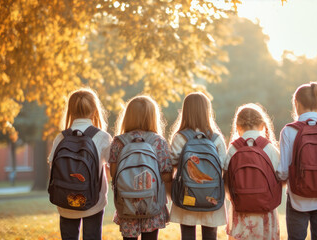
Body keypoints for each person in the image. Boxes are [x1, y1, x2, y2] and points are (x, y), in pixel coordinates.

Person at [276, 82, 317, 240]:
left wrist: (279, 179)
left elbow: (283, 171)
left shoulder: (289, 131)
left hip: (298, 198)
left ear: (296, 104)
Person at [47, 88, 112, 240]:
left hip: (65, 201)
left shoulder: (61, 137)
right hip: (94, 202)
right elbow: (112, 167)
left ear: (70, 110)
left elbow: (53, 168)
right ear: (95, 110)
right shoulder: (102, 137)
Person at [109, 95, 173, 240]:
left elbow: (114, 174)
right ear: (152, 117)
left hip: (126, 204)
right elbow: (166, 175)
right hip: (152, 204)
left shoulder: (118, 142)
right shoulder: (158, 142)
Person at [168, 92, 227, 240]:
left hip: (186, 193)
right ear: (207, 111)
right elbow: (223, 164)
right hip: (211, 195)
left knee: (187, 234)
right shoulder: (216, 138)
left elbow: (173, 162)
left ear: (185, 111)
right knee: (210, 235)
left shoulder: (180, 137)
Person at [225, 103, 281, 240]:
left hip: (241, 209)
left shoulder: (233, 148)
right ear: (262, 125)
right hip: (265, 210)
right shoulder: (269, 148)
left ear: (237, 127)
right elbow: (280, 176)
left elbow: (226, 179)